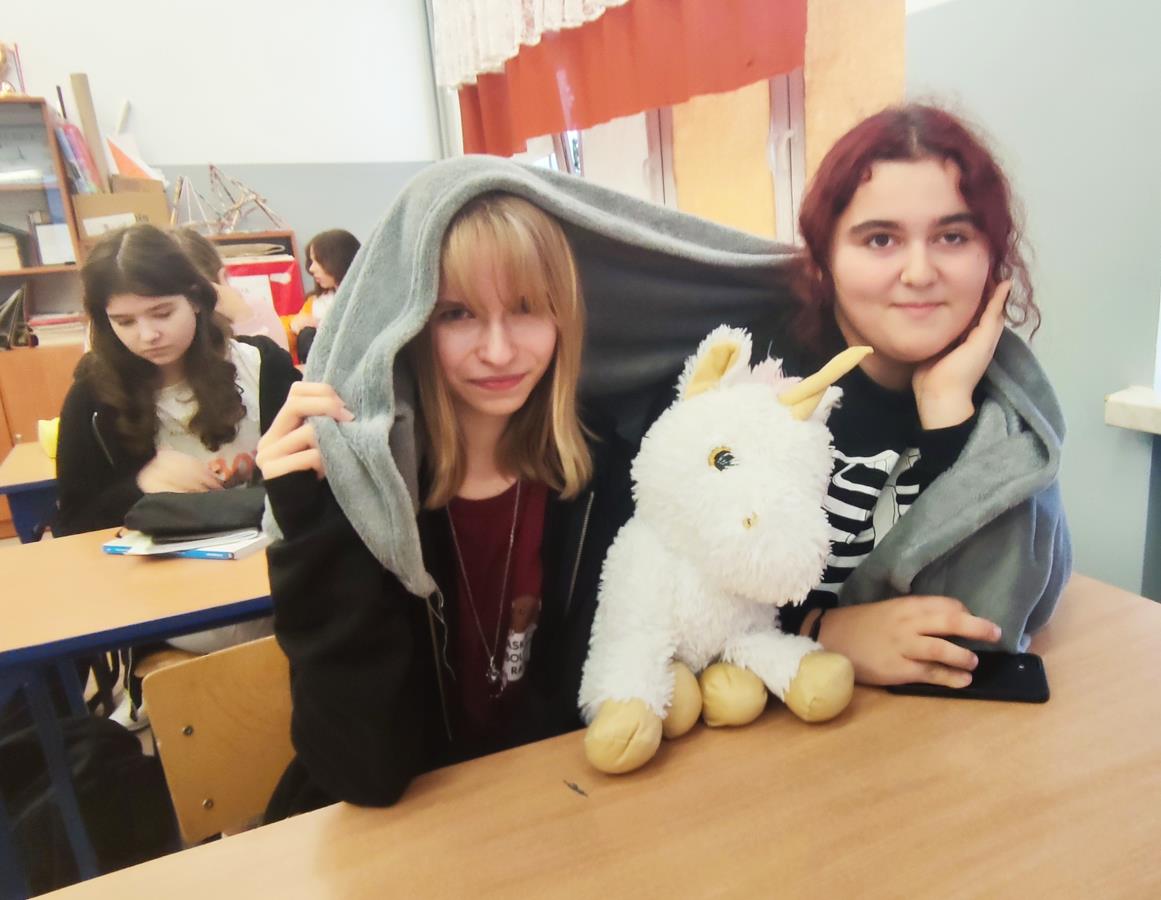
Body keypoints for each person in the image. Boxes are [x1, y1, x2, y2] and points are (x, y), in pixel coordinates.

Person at [258, 194, 634, 816]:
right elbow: (364, 771)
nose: (498, 351)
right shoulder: (370, 484)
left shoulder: (602, 473)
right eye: (457, 314)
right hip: (411, 822)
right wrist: (313, 528)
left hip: (554, 805)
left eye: (526, 308)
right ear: (409, 324)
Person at [750, 104, 1070, 688]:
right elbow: (673, 598)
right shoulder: (757, 378)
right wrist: (821, 631)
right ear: (825, 258)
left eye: (952, 236)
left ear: (991, 256)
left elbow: (989, 622)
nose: (919, 273)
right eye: (881, 239)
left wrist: (947, 417)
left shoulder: (1001, 405)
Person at [55, 224, 301, 660]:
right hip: (171, 613)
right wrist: (140, 487)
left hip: (278, 589)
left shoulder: (262, 367)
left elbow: (319, 483)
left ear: (196, 298)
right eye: (124, 322)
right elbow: (73, 528)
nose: (147, 335)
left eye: (162, 313)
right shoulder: (92, 398)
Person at [171, 227, 290, 352]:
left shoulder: (254, 309)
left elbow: (278, 362)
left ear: (220, 278)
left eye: (196, 295)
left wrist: (243, 317)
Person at [286, 228, 360, 362]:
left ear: (338, 260)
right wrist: (295, 324)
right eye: (311, 261)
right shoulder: (316, 302)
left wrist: (319, 325)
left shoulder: (364, 300)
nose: (311, 269)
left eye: (318, 261)